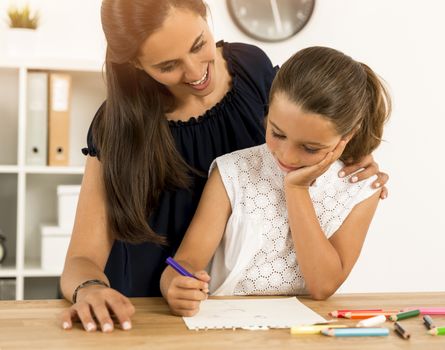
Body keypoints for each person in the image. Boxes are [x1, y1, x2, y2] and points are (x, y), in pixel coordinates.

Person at [59, 0, 389, 333]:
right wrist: (90, 289)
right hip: (143, 313)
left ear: (204, 12)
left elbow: (305, 125)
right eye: (168, 65)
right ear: (135, 63)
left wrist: (351, 154)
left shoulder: (252, 69)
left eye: (198, 44)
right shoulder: (117, 126)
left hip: (234, 313)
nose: (194, 72)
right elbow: (81, 258)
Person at [164, 46, 391, 317]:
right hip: (226, 329)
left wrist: (296, 189)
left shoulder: (360, 189)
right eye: (278, 133)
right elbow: (185, 262)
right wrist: (174, 285)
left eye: (309, 148)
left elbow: (323, 286)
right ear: (269, 110)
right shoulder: (232, 172)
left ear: (348, 136)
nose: (286, 155)